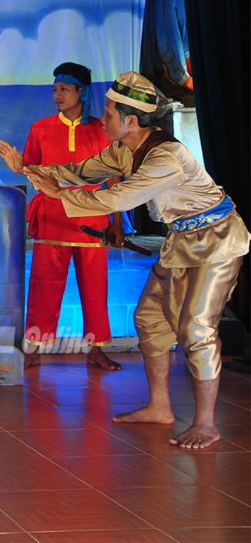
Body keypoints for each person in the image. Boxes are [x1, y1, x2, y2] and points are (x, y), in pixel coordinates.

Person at [23, 72, 249, 450]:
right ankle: (160, 406)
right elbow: (82, 171)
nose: (103, 118)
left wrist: (59, 196)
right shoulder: (123, 149)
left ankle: (206, 424)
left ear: (130, 120)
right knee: (148, 316)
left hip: (216, 240)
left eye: (109, 113)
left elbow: (118, 198)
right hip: (180, 239)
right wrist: (29, 170)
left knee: (196, 328)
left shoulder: (166, 156)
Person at [0, 62, 124, 370]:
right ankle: (34, 347)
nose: (57, 95)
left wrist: (118, 221)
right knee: (44, 285)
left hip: (92, 217)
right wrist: (20, 167)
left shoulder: (101, 130)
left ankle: (96, 348)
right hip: (53, 216)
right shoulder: (40, 128)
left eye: (64, 89)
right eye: (54, 89)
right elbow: (35, 174)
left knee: (95, 288)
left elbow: (113, 179)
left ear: (81, 91)